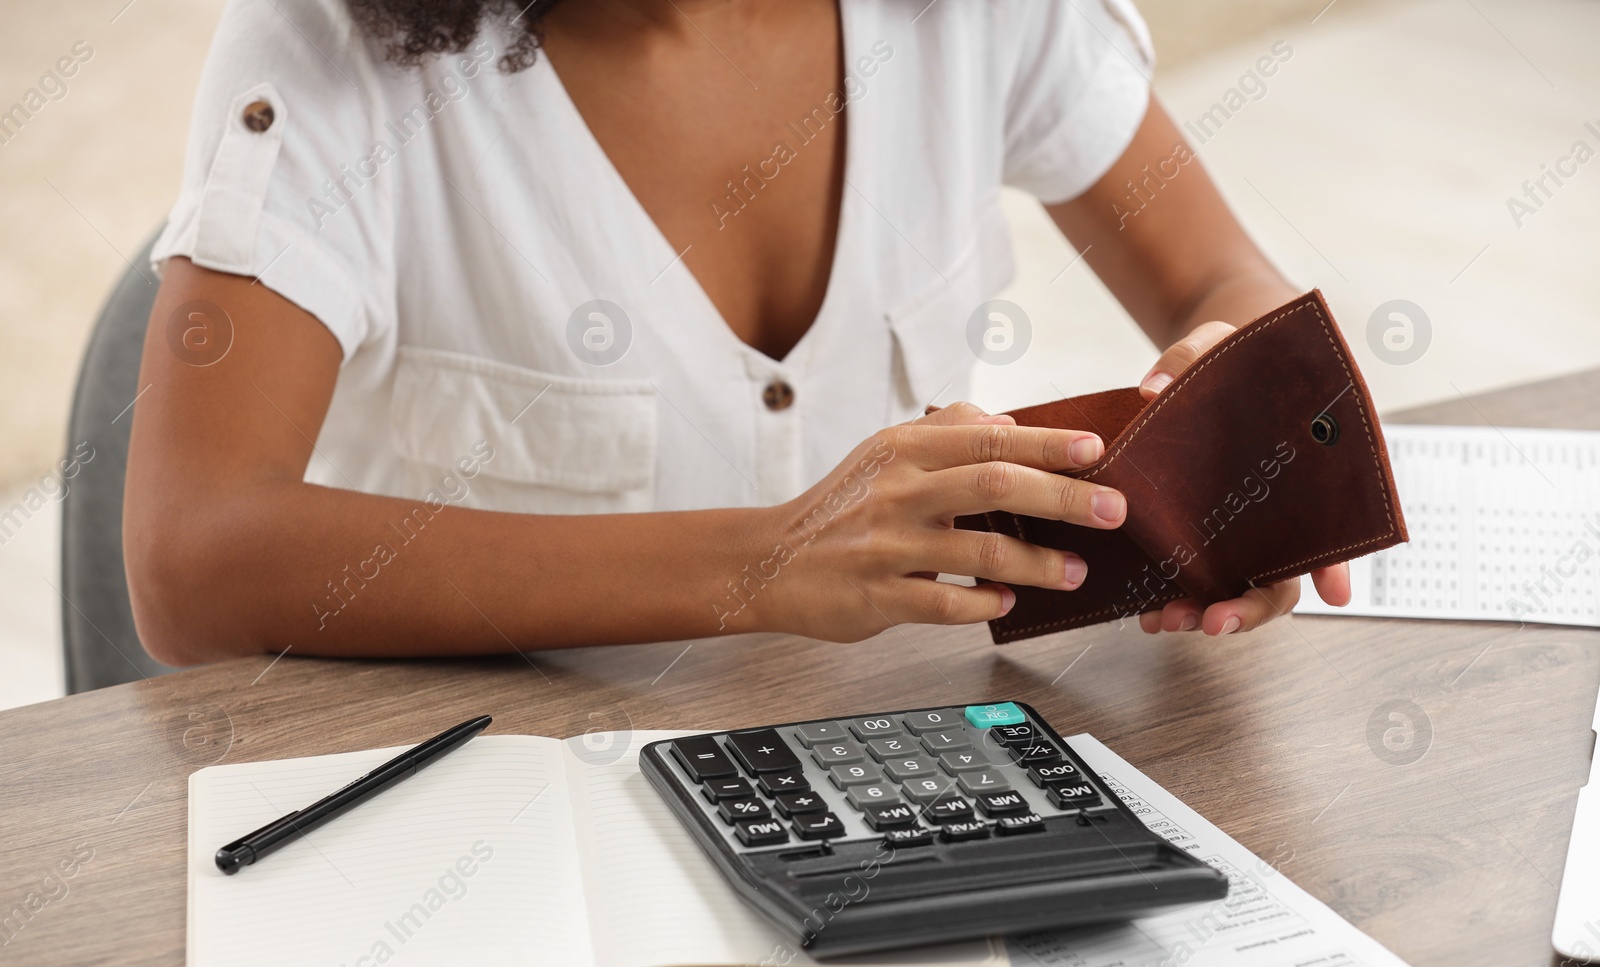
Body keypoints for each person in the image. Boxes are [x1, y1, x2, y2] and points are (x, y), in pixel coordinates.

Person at [124, 0, 1349, 665]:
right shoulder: (329, 53)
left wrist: (1239, 416)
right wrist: (761, 560)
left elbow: (1215, 273)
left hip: (890, 774)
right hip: (497, 804)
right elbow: (192, 557)